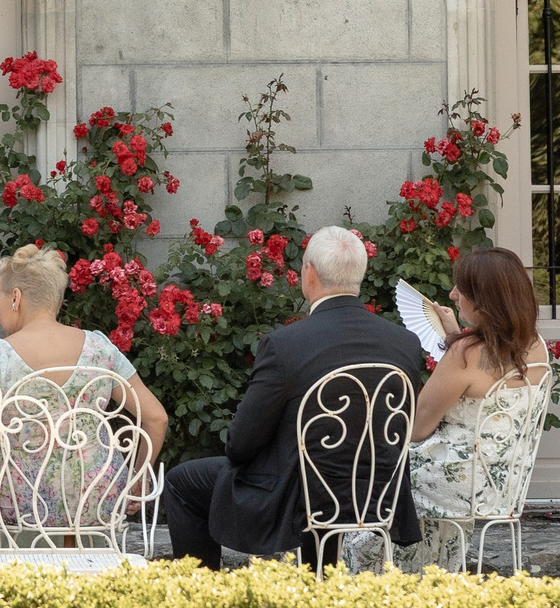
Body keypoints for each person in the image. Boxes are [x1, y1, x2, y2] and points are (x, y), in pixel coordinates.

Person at [164, 225, 423, 570]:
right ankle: (320, 582)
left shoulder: (286, 345)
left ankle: (201, 598)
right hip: (379, 494)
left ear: (309, 273)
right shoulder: (404, 343)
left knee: (182, 482)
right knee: (306, 472)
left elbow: (240, 444)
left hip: (300, 498)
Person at [352, 246, 551, 571]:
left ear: (483, 300)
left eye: (462, 289)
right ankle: (432, 575)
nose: (453, 293)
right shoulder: (535, 345)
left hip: (456, 484)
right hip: (499, 484)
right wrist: (454, 333)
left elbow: (416, 428)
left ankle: (363, 579)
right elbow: (487, 370)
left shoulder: (465, 353)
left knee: (367, 472)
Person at [0, 244, 168, 539]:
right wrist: (139, 479)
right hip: (97, 500)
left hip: (23, 503)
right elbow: (156, 418)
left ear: (16, 298)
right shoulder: (99, 347)